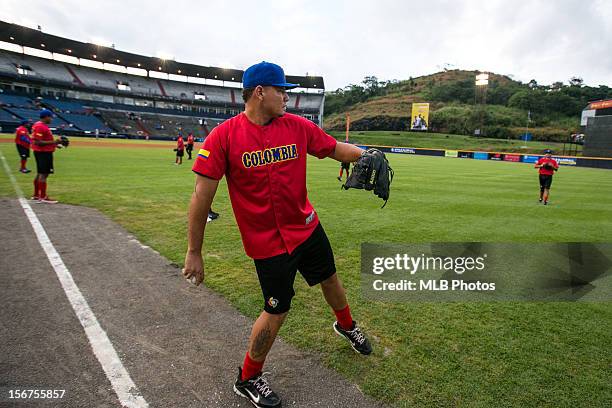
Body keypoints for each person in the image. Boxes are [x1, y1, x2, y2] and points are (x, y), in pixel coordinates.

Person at [183, 61, 372, 408]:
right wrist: (194, 251)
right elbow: (201, 197)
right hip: (268, 244)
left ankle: (346, 325)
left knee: (330, 278)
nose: (287, 97)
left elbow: (332, 149)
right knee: (276, 309)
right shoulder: (223, 137)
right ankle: (248, 377)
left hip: (306, 226)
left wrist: (367, 154)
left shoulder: (297, 126)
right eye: (281, 90)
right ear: (260, 92)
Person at [31, 109, 63, 203]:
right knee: (44, 174)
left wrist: (55, 145)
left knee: (40, 173)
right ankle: (43, 196)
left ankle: (37, 195)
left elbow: (42, 140)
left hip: (42, 152)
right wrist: (54, 142)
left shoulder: (39, 125)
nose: (51, 119)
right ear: (46, 117)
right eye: (50, 117)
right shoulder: (41, 126)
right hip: (43, 152)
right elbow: (38, 142)